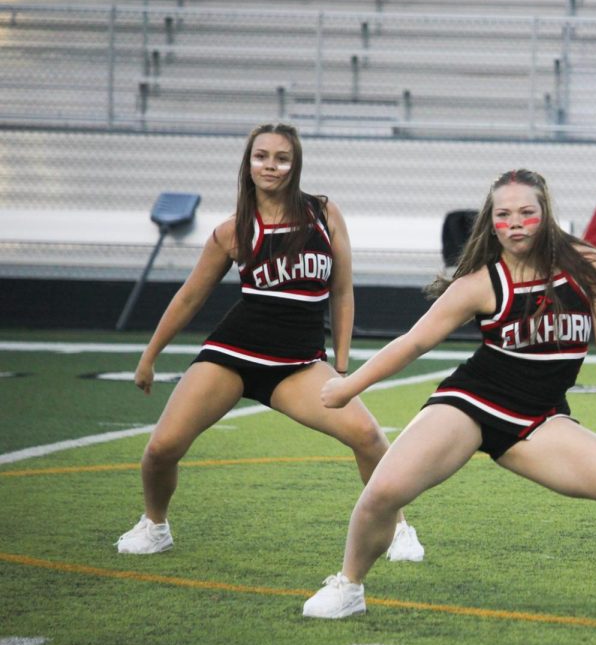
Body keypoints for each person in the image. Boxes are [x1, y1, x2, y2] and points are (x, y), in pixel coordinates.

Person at [301, 168, 596, 625]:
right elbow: (413, 343)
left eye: (526, 212)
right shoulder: (480, 283)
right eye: (504, 214)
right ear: (491, 222)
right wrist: (350, 385)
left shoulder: (588, 265)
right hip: (472, 404)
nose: (515, 223)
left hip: (538, 419)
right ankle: (349, 585)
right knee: (385, 491)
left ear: (545, 213)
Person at [117, 122, 423, 562]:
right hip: (233, 356)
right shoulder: (233, 230)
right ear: (248, 162)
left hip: (298, 364)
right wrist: (149, 356)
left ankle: (397, 529)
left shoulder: (323, 213)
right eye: (261, 157)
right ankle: (155, 524)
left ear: (295, 165)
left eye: (282, 158)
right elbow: (189, 297)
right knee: (161, 449)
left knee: (369, 436)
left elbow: (341, 291)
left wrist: (340, 365)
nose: (271, 166)